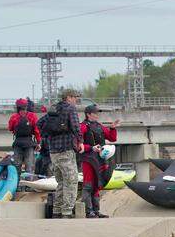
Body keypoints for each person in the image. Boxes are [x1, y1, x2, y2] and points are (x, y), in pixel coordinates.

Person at [44, 88, 82, 218]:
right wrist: (80, 141)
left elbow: (40, 124)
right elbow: (76, 126)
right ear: (69, 97)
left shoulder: (53, 109)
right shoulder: (70, 109)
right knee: (71, 181)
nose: (76, 100)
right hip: (66, 150)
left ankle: (56, 211)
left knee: (61, 182)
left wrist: (49, 138)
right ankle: (66, 212)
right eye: (75, 97)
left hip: (53, 152)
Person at [78, 103, 119, 218]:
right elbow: (78, 145)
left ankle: (96, 211)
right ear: (88, 114)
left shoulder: (100, 126)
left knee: (97, 185)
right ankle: (88, 211)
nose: (97, 115)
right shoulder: (82, 126)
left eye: (97, 113)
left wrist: (113, 128)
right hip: (88, 159)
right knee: (88, 185)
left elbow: (112, 138)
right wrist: (91, 148)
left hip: (99, 159)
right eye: (95, 113)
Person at [7, 98, 40, 174]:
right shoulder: (32, 116)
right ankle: (28, 183)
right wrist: (38, 142)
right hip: (29, 143)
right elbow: (36, 131)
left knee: (17, 165)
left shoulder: (14, 117)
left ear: (17, 107)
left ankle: (17, 182)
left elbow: (10, 128)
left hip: (18, 143)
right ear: (26, 106)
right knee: (29, 165)